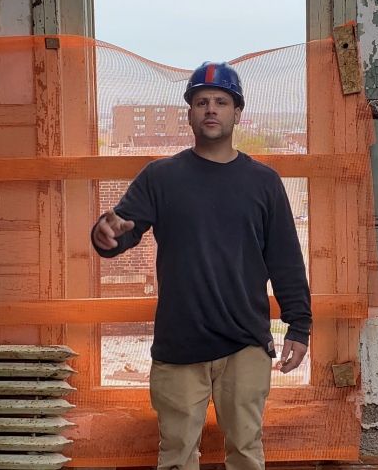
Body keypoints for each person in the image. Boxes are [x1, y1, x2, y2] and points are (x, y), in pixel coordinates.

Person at [91, 61, 311, 470]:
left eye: (221, 102)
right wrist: (105, 234)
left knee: (246, 453)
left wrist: (299, 326)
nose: (211, 109)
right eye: (202, 101)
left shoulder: (263, 182)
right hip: (180, 346)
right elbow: (120, 232)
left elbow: (285, 260)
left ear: (237, 113)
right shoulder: (161, 177)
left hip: (245, 342)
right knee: (176, 457)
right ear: (190, 113)